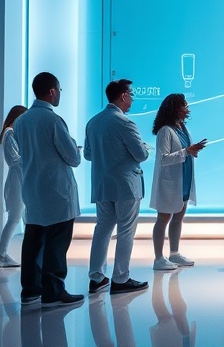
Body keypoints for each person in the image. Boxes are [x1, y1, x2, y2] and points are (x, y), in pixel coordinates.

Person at [13, 72, 83, 308]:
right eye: (60, 90)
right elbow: (73, 158)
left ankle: (30, 290)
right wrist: (76, 147)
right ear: (52, 91)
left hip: (32, 188)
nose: (60, 94)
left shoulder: (21, 121)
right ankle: (53, 291)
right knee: (56, 242)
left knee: (33, 240)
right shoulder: (53, 121)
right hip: (56, 191)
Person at [84, 79, 150, 295]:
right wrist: (144, 148)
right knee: (125, 231)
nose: (132, 98)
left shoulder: (93, 122)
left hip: (102, 185)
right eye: (130, 94)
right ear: (123, 96)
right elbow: (140, 154)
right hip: (126, 186)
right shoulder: (125, 122)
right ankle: (120, 278)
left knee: (102, 229)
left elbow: (87, 155)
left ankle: (96, 278)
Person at [150, 93, 207, 271]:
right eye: (184, 106)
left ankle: (174, 253)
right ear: (175, 108)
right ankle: (158, 258)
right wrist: (186, 151)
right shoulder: (165, 130)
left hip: (183, 179)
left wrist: (191, 150)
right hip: (170, 183)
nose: (187, 109)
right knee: (164, 218)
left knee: (178, 217)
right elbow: (163, 159)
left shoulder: (181, 127)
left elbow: (183, 150)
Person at [0, 105, 27, 268]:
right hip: (17, 181)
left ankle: (29, 254)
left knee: (24, 219)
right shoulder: (9, 132)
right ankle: (1, 255)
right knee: (14, 219)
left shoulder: (13, 133)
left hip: (21, 179)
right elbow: (14, 160)